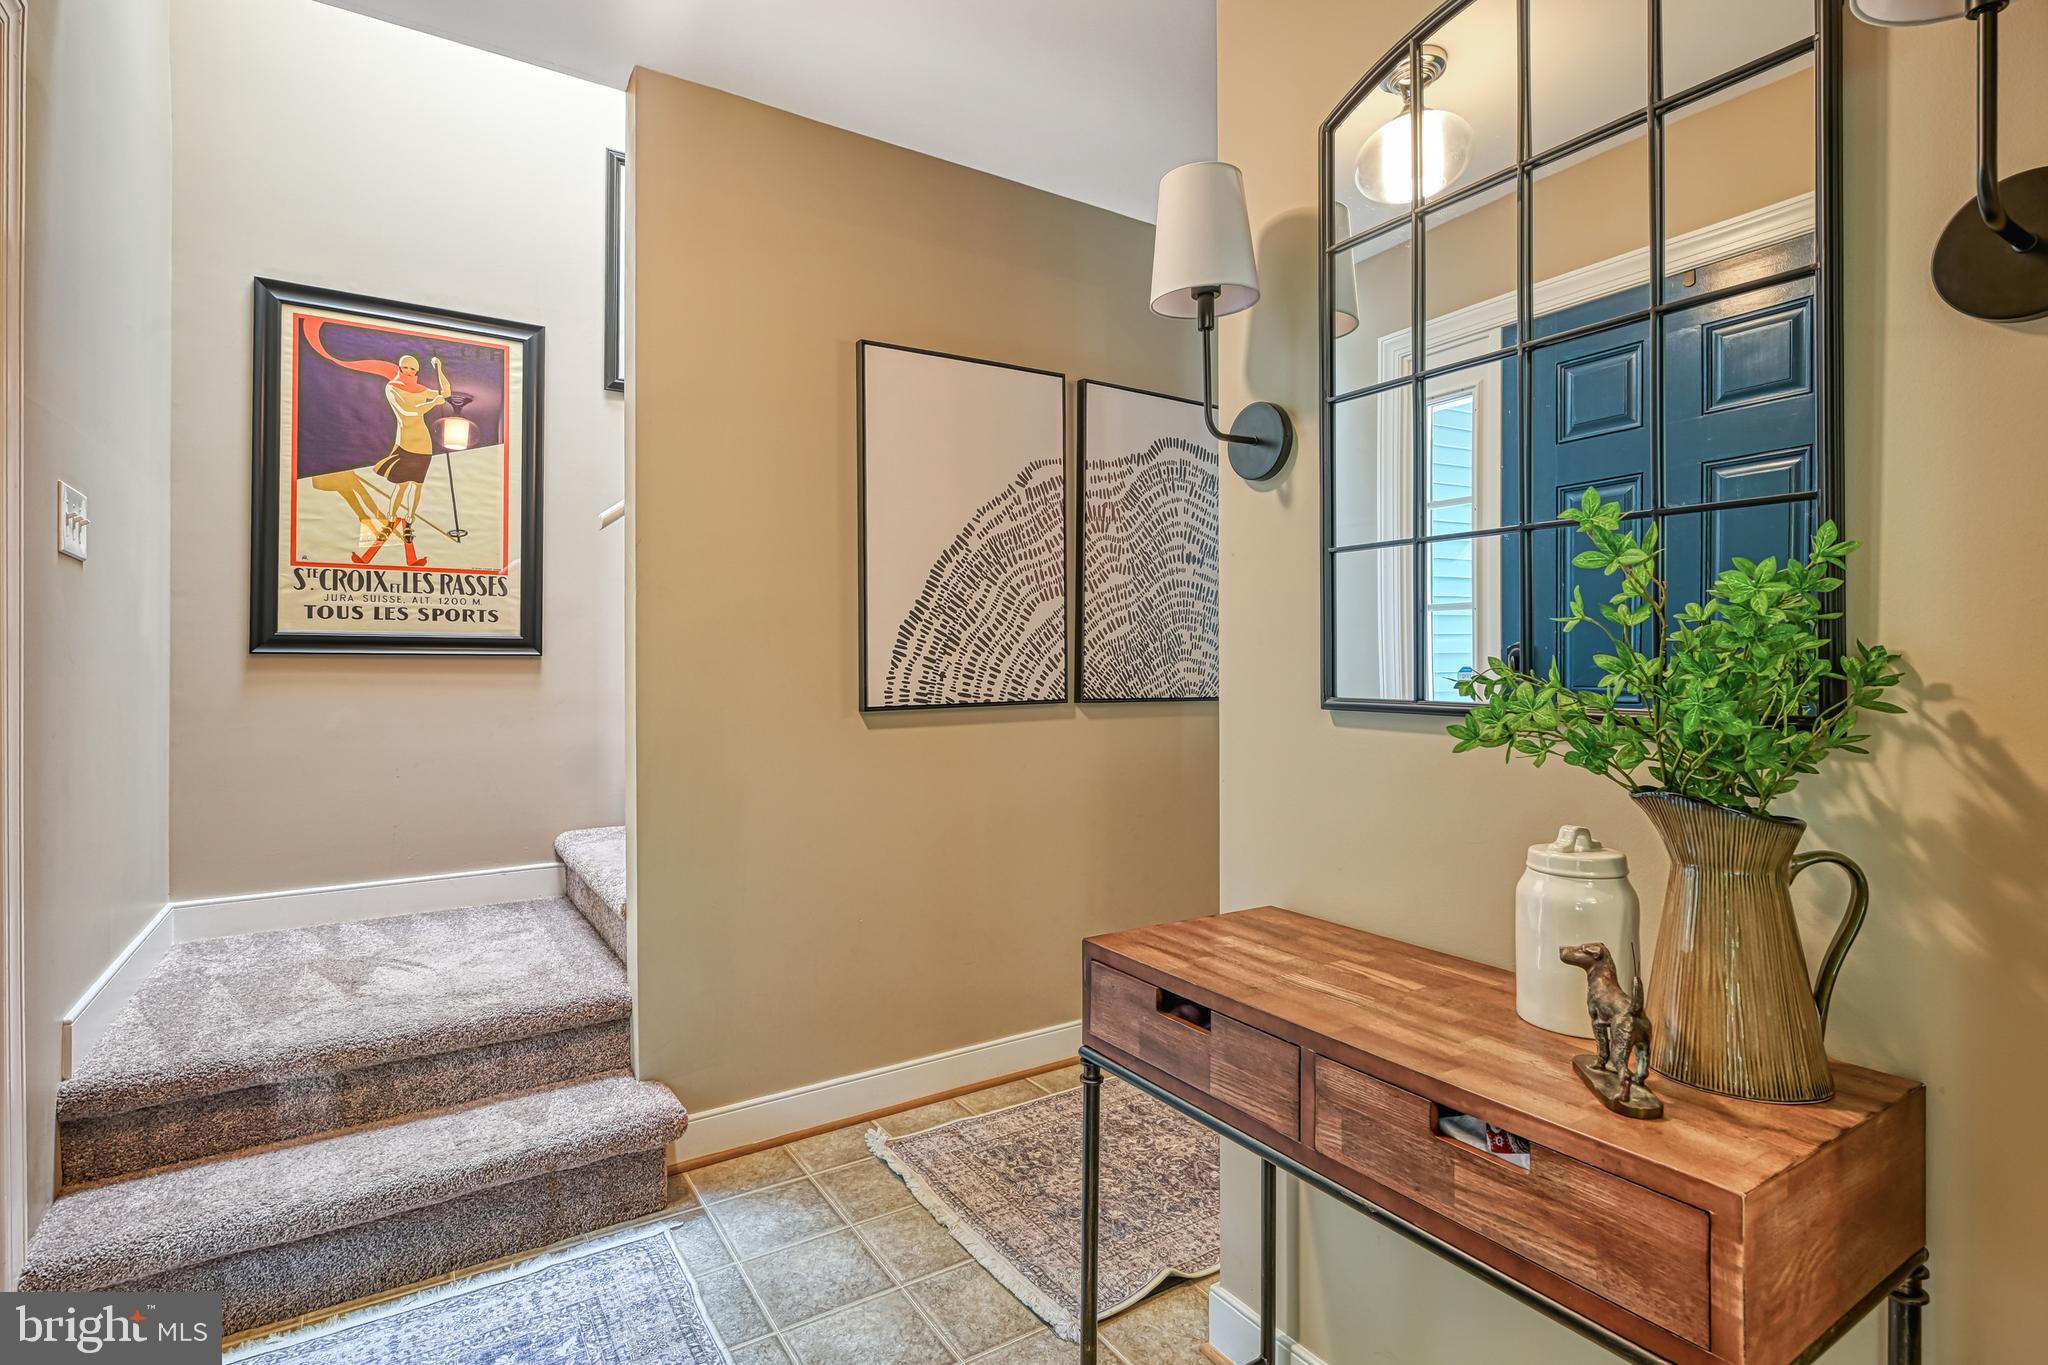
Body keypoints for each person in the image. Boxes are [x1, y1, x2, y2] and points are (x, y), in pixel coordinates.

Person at [303, 321, 452, 568]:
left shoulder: (420, 388)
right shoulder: (393, 388)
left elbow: (445, 393)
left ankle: (408, 524)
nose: (408, 372)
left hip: (424, 445)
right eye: (405, 368)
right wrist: (430, 404)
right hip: (406, 444)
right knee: (401, 487)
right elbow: (407, 413)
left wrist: (439, 368)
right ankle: (392, 522)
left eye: (413, 369)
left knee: (416, 487)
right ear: (399, 368)